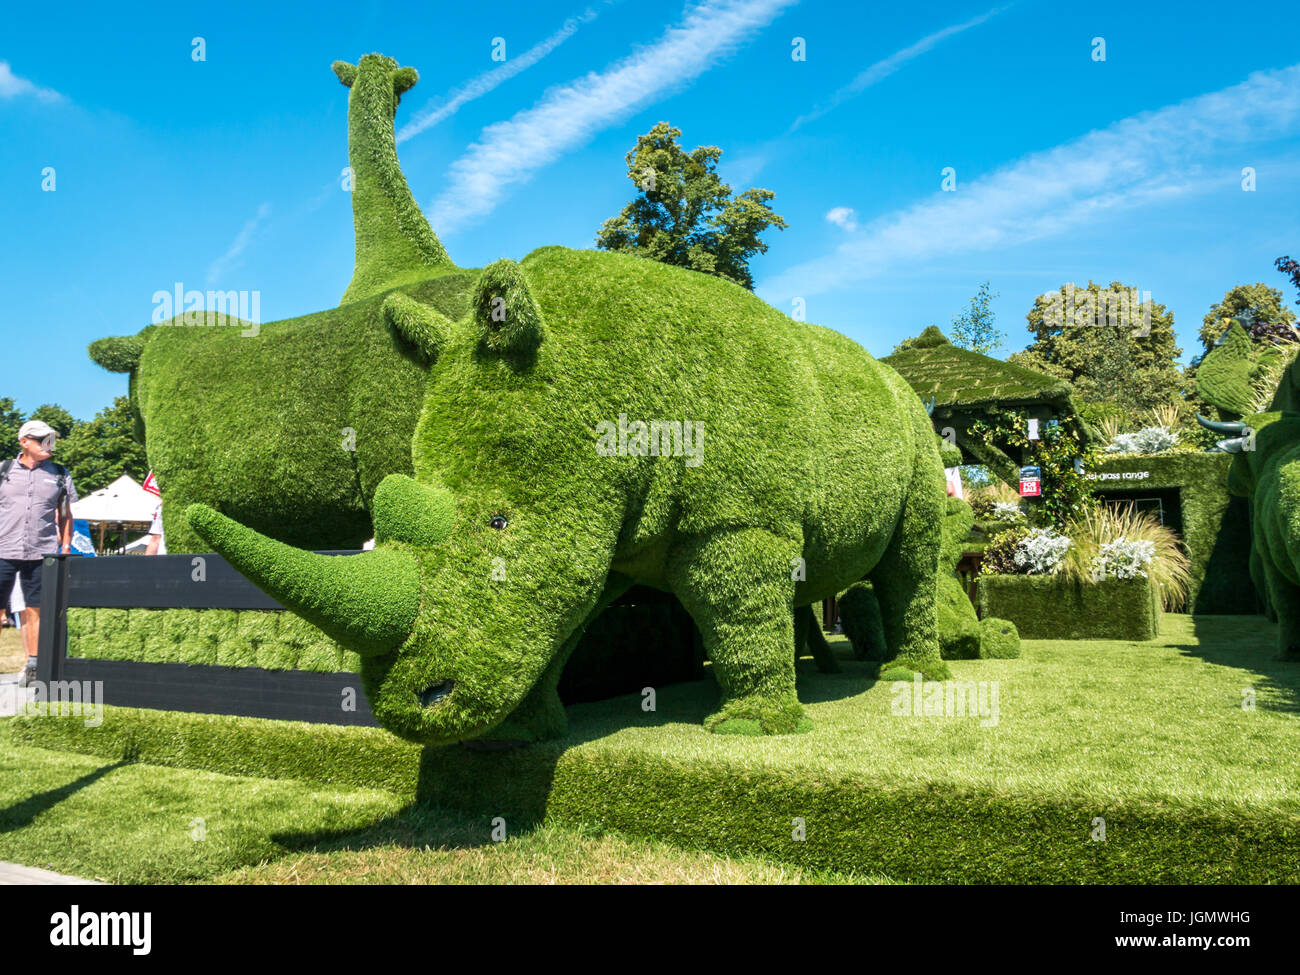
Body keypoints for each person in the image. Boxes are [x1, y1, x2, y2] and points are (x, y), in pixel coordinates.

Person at [0, 420, 77, 687]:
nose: (49, 445)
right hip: (3, 550)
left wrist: (65, 548)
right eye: (43, 440)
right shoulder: (3, 470)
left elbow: (66, 515)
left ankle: (33, 663)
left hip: (41, 552)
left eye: (51, 440)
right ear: (24, 442)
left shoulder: (59, 474)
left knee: (36, 609)